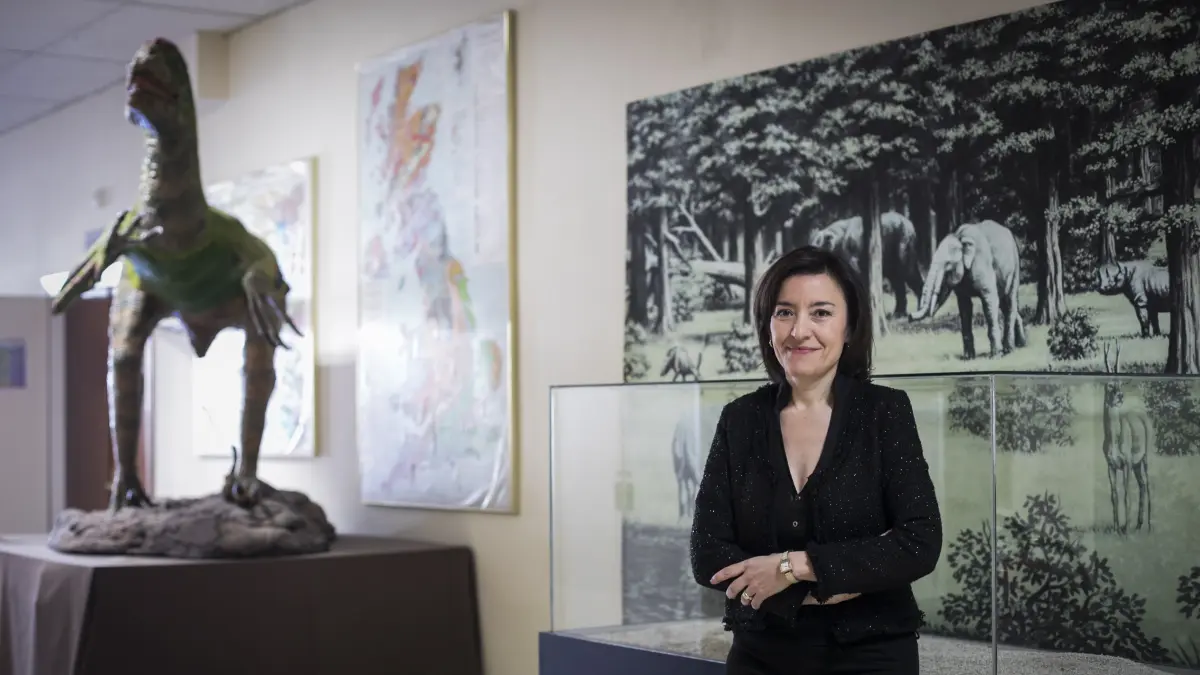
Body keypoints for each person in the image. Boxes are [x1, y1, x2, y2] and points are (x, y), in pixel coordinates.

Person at [689, 245, 943, 675]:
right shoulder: (740, 419)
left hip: (871, 656)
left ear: (850, 326)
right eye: (784, 312)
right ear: (768, 325)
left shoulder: (884, 412)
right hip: (759, 655)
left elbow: (918, 542)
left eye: (820, 313)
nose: (799, 330)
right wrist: (825, 587)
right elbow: (707, 553)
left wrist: (792, 568)